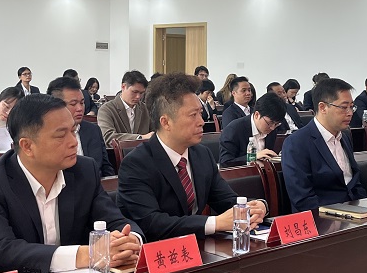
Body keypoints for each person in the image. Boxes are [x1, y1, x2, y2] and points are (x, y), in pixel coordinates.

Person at [0, 94, 140, 273]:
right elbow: (0, 250)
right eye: (61, 135)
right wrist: (88, 254)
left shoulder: (84, 170)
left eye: (73, 131)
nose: (74, 142)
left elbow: (114, 220)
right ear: (27, 146)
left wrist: (129, 240)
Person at [117, 73, 266, 241]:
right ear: (165, 122)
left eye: (200, 113)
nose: (201, 121)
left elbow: (225, 199)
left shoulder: (201, 154)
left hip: (197, 246)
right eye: (193, 115)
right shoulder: (136, 164)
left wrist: (254, 207)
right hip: (159, 249)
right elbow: (152, 223)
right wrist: (215, 223)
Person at [281, 77, 366, 212]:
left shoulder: (344, 136)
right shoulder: (297, 143)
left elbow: (354, 182)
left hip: (355, 212)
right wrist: (342, 215)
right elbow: (302, 199)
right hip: (321, 217)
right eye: (344, 107)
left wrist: (365, 207)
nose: (350, 113)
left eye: (351, 107)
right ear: (323, 107)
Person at [47, 77, 114, 177]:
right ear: (55, 106)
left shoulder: (93, 130)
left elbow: (106, 168)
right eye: (73, 104)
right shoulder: (48, 135)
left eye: (82, 103)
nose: (80, 108)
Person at [219, 92, 285, 167]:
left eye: (276, 124)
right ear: (257, 115)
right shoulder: (233, 130)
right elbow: (225, 163)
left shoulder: (272, 129)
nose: (272, 128)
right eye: (270, 123)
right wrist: (253, 157)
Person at [97, 70, 152, 145]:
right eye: (134, 92)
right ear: (123, 87)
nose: (138, 96)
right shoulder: (106, 109)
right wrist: (140, 138)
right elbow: (108, 137)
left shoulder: (146, 109)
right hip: (117, 152)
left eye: (141, 93)